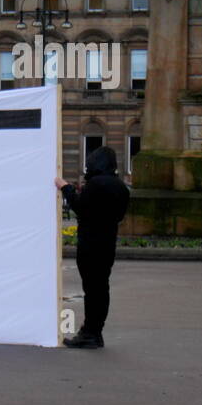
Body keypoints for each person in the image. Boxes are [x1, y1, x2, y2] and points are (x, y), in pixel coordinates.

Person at [56, 146, 130, 349]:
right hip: (107, 245)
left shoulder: (96, 184)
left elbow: (80, 207)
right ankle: (96, 331)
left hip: (90, 244)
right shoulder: (121, 187)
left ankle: (89, 333)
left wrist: (65, 188)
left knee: (91, 289)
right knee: (101, 288)